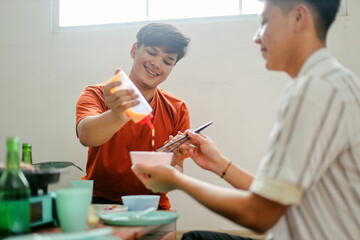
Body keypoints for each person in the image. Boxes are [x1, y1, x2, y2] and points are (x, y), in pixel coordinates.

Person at [132, 0, 360, 239]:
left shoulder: (312, 91)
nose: (257, 37)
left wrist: (177, 180)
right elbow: (274, 195)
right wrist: (219, 164)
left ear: (299, 17)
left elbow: (260, 214)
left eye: (264, 23)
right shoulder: (335, 82)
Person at [76, 23, 191, 210]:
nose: (156, 64)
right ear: (134, 50)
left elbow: (172, 178)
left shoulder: (177, 108)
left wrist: (175, 166)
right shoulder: (97, 94)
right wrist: (119, 114)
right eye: (152, 53)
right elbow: (86, 136)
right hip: (100, 204)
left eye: (167, 61)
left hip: (153, 208)